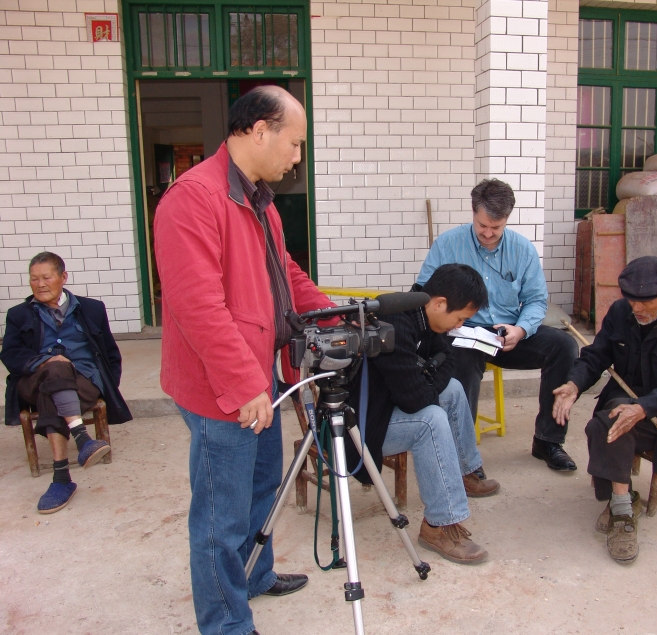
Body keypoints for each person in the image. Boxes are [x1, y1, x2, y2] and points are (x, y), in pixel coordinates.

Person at [154, 86, 336, 635]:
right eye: (295, 143)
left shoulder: (259, 201)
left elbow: (285, 277)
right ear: (260, 131)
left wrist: (334, 315)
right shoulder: (193, 198)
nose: (297, 156)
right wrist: (242, 384)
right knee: (220, 517)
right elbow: (197, 307)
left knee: (263, 490)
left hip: (262, 378)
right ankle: (226, 623)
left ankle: (255, 576)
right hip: (224, 391)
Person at [416, 178, 580, 472]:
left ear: (507, 219)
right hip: (462, 333)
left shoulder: (522, 249)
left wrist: (520, 330)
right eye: (483, 226)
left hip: (508, 335)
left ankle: (548, 441)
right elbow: (424, 292)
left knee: (564, 346)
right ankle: (460, 455)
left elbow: (536, 300)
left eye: (497, 227)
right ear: (472, 212)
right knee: (461, 363)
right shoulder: (448, 244)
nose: (489, 234)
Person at [552, 256, 657, 564]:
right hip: (623, 404)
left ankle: (619, 506)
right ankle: (624, 506)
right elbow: (596, 356)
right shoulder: (621, 313)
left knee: (617, 420)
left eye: (646, 303)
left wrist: (644, 407)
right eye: (632, 301)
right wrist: (574, 385)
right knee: (607, 422)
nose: (637, 309)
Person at [345, 264, 500, 565]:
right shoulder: (393, 320)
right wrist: (430, 374)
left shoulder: (425, 314)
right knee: (431, 419)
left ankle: (465, 471)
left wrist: (429, 375)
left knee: (452, 389)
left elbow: (448, 361)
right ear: (440, 303)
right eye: (460, 318)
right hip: (365, 425)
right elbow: (416, 399)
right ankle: (438, 526)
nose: (458, 326)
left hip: (392, 405)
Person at [1, 252, 132, 513]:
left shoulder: (91, 309)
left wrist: (108, 386)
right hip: (34, 380)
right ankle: (82, 438)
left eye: (46, 277)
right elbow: (10, 354)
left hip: (83, 380)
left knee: (53, 391)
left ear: (63, 277)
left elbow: (110, 353)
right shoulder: (19, 314)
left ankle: (61, 479)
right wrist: (43, 362)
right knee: (56, 368)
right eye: (34, 279)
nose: (39, 284)